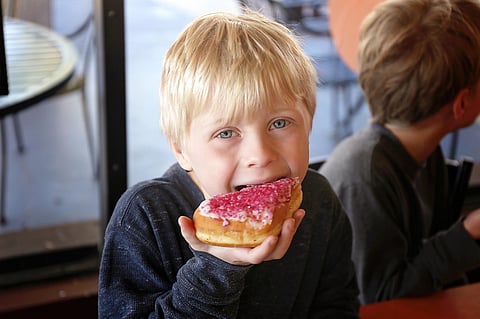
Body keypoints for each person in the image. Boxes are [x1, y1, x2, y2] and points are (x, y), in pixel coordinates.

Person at [98, 10, 360, 318]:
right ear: (181, 149)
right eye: (226, 133)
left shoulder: (319, 202)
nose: (260, 154)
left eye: (279, 123)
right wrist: (217, 270)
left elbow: (337, 307)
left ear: (309, 123)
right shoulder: (144, 218)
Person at [320, 0, 480, 305]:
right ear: (461, 104)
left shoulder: (424, 153)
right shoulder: (364, 178)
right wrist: (467, 233)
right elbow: (383, 298)